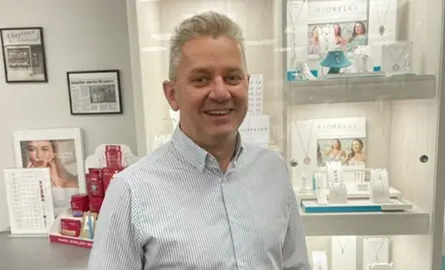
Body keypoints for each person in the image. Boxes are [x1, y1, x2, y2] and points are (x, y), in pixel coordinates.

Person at [88, 11, 309, 270]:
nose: (220, 92)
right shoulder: (131, 191)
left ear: (247, 85)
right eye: (201, 79)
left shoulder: (273, 170)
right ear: (172, 95)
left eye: (232, 77)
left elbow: (296, 265)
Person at [23, 140, 79, 214]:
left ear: (53, 153)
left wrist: (58, 183)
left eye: (44, 149)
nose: (38, 155)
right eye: (32, 149)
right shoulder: (24, 183)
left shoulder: (71, 184)